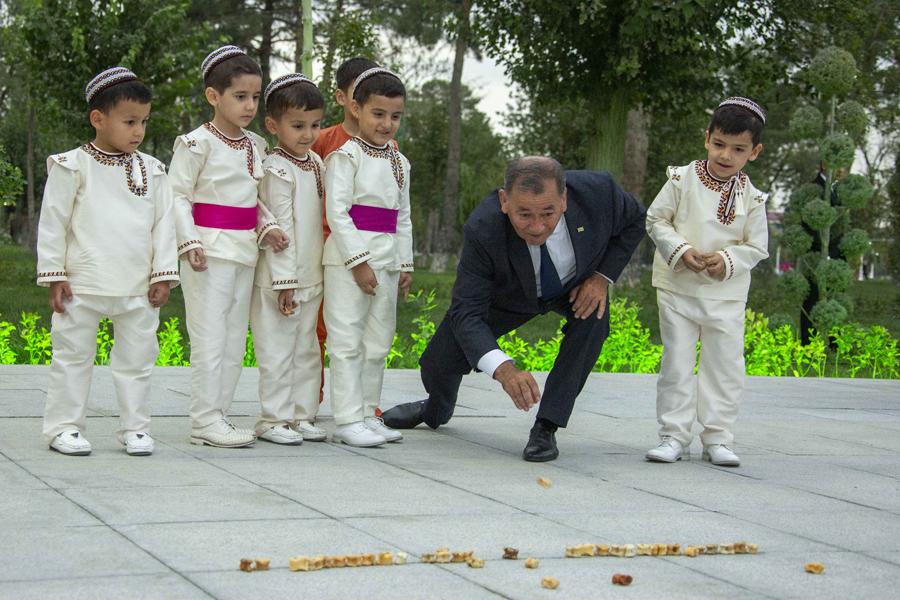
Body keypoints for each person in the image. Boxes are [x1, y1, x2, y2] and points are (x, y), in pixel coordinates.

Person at [381, 157, 647, 462]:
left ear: (564, 199)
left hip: (576, 286)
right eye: (524, 214)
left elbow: (636, 220)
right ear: (504, 201)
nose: (537, 227)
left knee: (593, 320)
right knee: (436, 363)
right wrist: (504, 370)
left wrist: (601, 278)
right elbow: (467, 312)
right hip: (508, 297)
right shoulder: (483, 228)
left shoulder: (600, 192)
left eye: (548, 213)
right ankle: (433, 410)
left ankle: (546, 427)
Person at [37, 67, 179, 456]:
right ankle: (64, 427)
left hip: (137, 286)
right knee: (72, 357)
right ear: (97, 118)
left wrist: (163, 274)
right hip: (82, 283)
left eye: (144, 121)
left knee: (137, 361)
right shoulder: (72, 165)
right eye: (130, 121)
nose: (139, 131)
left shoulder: (152, 169)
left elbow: (165, 223)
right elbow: (53, 222)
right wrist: (54, 274)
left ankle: (135, 428)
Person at [170, 45, 289, 448]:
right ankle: (203, 417)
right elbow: (178, 197)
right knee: (209, 337)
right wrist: (188, 242)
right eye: (240, 96)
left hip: (245, 251)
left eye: (256, 97)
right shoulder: (195, 143)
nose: (250, 105)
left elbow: (253, 199)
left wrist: (268, 225)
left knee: (235, 338)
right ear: (213, 96)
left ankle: (217, 414)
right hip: (208, 251)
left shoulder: (256, 144)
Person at [644, 96, 769, 467]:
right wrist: (680, 249)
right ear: (707, 138)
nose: (725, 155)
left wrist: (727, 260)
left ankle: (718, 437)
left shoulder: (754, 198)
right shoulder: (681, 180)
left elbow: (757, 246)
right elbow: (655, 220)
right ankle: (673, 435)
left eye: (738, 148)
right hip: (677, 287)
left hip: (726, 296)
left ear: (754, 151)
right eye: (719, 144)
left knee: (725, 366)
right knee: (677, 363)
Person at [323, 67, 413, 447]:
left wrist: (404, 263)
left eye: (395, 116)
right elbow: (337, 212)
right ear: (357, 109)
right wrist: (358, 261)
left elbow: (403, 216)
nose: (386, 123)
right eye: (378, 114)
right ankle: (345, 419)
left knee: (378, 341)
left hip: (387, 260)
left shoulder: (399, 161)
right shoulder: (345, 156)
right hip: (349, 261)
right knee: (346, 339)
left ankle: (366, 413)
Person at [250, 74, 327, 444]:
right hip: (281, 280)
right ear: (272, 125)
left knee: (307, 349)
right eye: (297, 126)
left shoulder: (314, 162)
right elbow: (280, 230)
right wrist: (285, 282)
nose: (308, 134)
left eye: (315, 125)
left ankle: (302, 414)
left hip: (311, 274)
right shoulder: (275, 168)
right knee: (278, 351)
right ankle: (273, 418)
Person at [310, 57, 389, 407]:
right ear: (345, 99)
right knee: (324, 329)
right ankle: (311, 400)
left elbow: (393, 209)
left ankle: (366, 405)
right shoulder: (324, 140)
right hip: (326, 246)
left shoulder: (391, 150)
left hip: (375, 251)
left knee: (372, 333)